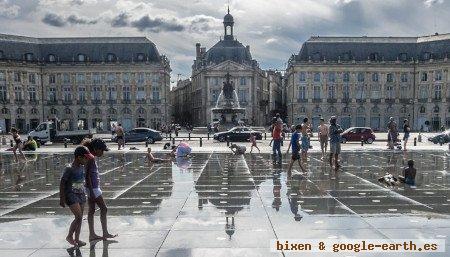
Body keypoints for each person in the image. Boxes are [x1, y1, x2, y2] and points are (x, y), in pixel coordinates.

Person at [82, 138, 117, 241]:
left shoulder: (90, 156)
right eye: (102, 150)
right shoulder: (91, 158)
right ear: (96, 149)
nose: (103, 153)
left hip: (90, 188)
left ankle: (92, 234)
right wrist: (92, 192)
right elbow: (87, 175)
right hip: (93, 188)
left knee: (91, 210)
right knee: (104, 208)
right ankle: (105, 233)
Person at [59, 146, 95, 246]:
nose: (87, 159)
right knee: (78, 217)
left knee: (80, 217)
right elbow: (62, 183)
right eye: (85, 158)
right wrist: (62, 198)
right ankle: (69, 236)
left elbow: (83, 181)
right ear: (79, 157)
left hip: (81, 195)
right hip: (71, 195)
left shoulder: (82, 167)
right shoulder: (69, 168)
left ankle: (77, 239)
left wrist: (89, 192)